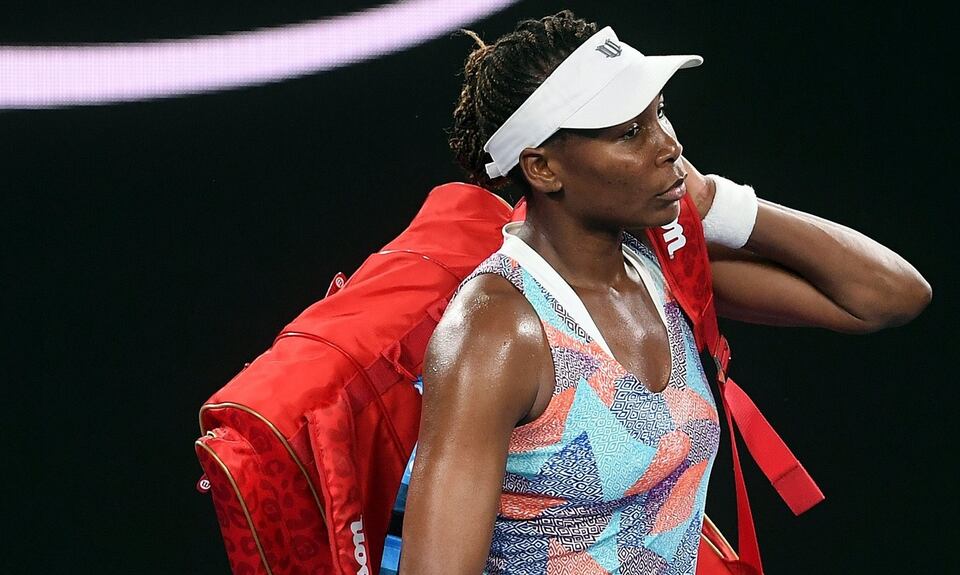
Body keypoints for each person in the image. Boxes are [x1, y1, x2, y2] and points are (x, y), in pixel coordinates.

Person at [398, 10, 931, 575]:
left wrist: (719, 205)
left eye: (660, 115)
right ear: (543, 168)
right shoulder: (495, 329)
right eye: (629, 132)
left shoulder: (665, 270)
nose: (669, 146)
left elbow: (888, 296)